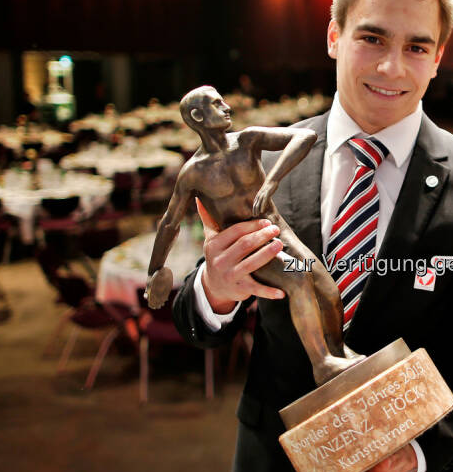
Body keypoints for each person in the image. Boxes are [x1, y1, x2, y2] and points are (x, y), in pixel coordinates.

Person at [172, 0, 453, 472]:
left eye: (417, 46)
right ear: (333, 36)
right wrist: (215, 289)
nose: (393, 66)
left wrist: (408, 457)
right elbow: (192, 319)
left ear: (438, 58)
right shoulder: (255, 168)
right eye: (372, 38)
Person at [145, 86, 360, 386]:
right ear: (197, 116)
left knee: (324, 284)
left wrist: (271, 182)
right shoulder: (192, 173)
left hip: (278, 230)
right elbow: (169, 223)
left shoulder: (247, 141)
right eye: (216, 104)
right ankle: (321, 362)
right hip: (249, 248)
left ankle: (337, 352)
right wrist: (154, 270)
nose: (226, 107)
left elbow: (305, 137)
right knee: (297, 279)